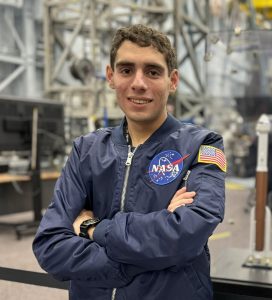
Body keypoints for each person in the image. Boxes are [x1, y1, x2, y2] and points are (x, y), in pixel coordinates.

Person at [33, 24, 226, 300]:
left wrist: (93, 228)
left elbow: (187, 235)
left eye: (152, 71)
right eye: (126, 70)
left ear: (172, 80)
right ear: (111, 77)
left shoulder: (202, 145)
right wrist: (146, 258)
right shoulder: (85, 150)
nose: (138, 82)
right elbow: (50, 245)